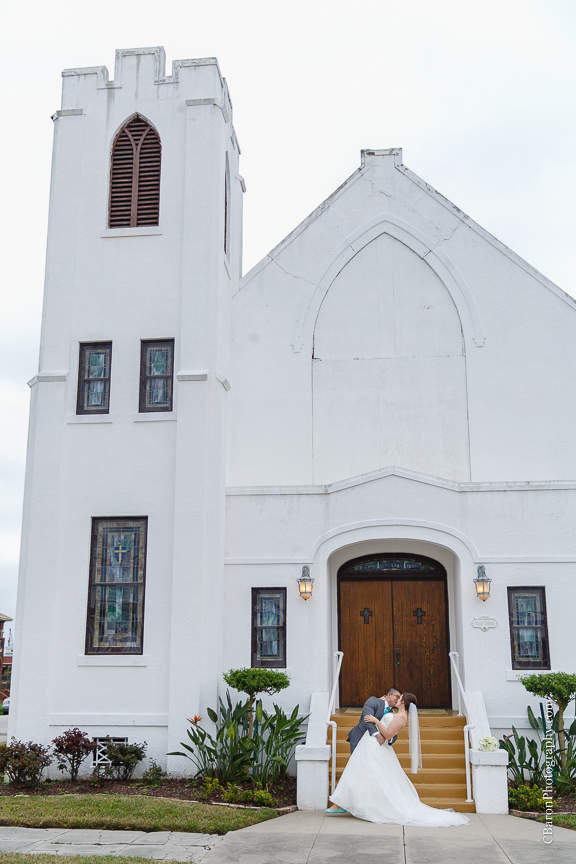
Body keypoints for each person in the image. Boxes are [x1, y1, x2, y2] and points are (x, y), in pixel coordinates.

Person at [327, 692, 469, 827]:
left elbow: (389, 735)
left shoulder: (401, 717)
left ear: (403, 702)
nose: (397, 699)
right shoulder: (398, 714)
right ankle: (347, 803)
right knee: (361, 772)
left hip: (376, 746)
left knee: (366, 773)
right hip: (370, 744)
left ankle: (356, 805)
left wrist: (376, 721)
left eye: (399, 698)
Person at [347, 688, 401, 753]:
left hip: (377, 745)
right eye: (397, 697)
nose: (398, 700)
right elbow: (367, 718)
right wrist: (377, 735)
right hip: (360, 737)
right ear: (389, 695)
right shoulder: (373, 701)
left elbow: (393, 732)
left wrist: (389, 738)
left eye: (400, 699)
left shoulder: (393, 714)